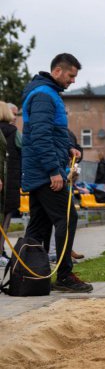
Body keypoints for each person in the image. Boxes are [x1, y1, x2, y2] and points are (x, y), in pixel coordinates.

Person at [20, 53, 92, 292]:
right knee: (67, 217)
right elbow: (40, 137)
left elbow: (48, 133)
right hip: (45, 173)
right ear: (58, 71)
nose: (72, 81)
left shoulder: (46, 93)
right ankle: (64, 275)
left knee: (38, 227)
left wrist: (68, 147)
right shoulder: (43, 95)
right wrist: (54, 171)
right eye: (71, 76)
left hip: (39, 171)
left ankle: (29, 276)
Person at [0, 102, 21, 267]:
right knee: (5, 221)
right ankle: (0, 252)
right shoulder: (15, 133)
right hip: (10, 183)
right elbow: (27, 150)